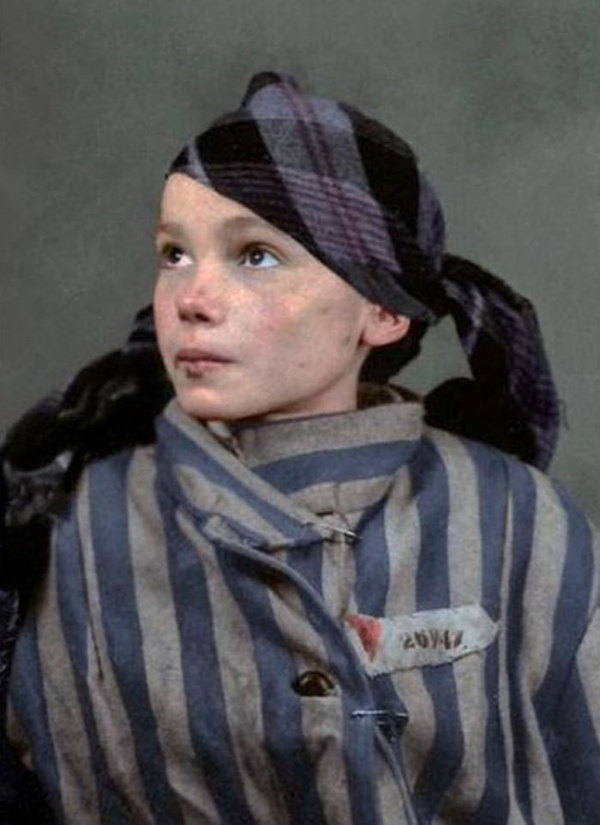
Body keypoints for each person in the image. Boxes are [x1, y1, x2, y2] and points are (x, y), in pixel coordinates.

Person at [1, 71, 598, 825]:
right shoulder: (68, 533)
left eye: (256, 256)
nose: (192, 298)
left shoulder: (522, 523)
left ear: (382, 309)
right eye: (174, 253)